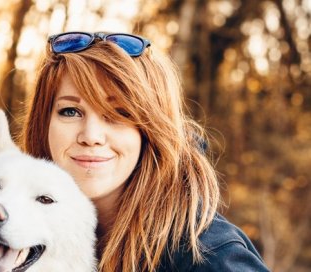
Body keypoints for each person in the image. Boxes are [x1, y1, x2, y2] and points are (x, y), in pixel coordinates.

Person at [21, 32, 269, 271]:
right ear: (43, 124)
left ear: (150, 130)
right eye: (70, 112)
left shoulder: (207, 255)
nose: (91, 136)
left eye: (119, 114)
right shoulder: (19, 231)